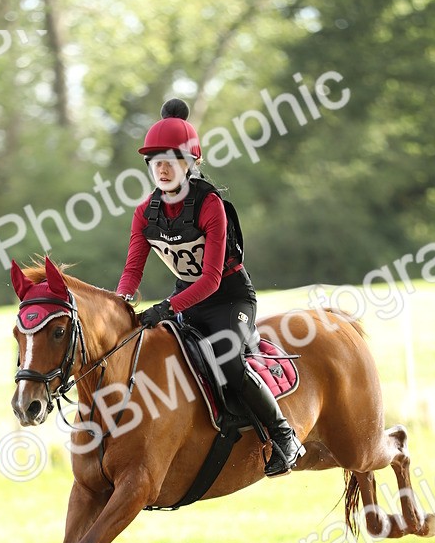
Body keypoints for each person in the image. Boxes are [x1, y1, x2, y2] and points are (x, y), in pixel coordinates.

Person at [117, 98, 305, 477]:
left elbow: (211, 280)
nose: (162, 169)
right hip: (188, 300)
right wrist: (120, 301)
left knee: (229, 362)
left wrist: (167, 307)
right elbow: (133, 270)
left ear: (190, 164)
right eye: (155, 162)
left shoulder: (210, 205)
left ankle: (285, 437)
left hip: (230, 299)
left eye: (172, 161)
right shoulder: (144, 213)